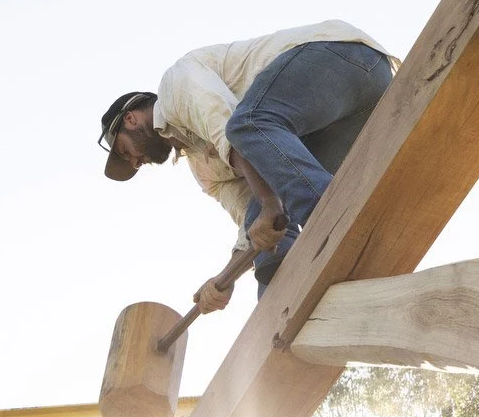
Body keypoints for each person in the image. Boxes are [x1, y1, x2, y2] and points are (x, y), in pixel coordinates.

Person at [99, 20, 395, 311]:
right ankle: (279, 307)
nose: (136, 162)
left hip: (346, 58)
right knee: (263, 221)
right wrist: (225, 278)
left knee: (247, 125)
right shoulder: (205, 170)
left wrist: (269, 203)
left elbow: (227, 124)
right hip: (352, 114)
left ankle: (338, 226)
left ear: (131, 119)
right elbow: (253, 223)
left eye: (126, 151)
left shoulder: (174, 87)